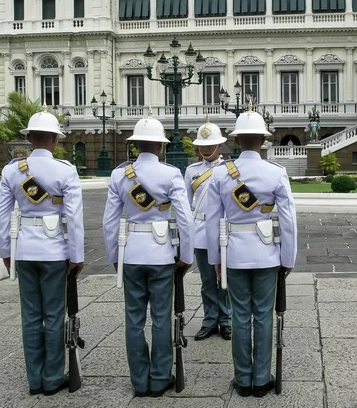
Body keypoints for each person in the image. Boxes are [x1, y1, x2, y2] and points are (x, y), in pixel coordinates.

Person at [205, 107, 297, 398]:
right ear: (262, 140)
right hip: (267, 255)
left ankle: (242, 380)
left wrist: (215, 260)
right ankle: (260, 380)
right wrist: (288, 259)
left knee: (241, 316)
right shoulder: (275, 173)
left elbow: (211, 221)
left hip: (233, 254)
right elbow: (288, 220)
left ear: (237, 140)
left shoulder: (221, 175)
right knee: (264, 316)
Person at [0, 111, 85, 396]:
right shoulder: (65, 170)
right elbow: (74, 217)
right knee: (54, 315)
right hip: (55, 250)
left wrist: (7, 252)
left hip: (25, 251)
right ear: (56, 140)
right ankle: (53, 377)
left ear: (29, 139)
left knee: (31, 316)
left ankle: (35, 379)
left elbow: (0, 217)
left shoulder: (13, 170)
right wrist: (76, 255)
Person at [102, 113, 194, 398]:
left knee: (134, 319)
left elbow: (109, 221)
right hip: (162, 254)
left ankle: (139, 380)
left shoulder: (120, 174)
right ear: (160, 146)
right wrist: (186, 255)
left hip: (131, 254)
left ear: (135, 145)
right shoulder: (170, 174)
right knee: (161, 318)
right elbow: (185, 219)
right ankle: (159, 378)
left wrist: (115, 256)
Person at [184, 119, 232, 341]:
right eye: (202, 145)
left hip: (222, 231)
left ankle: (226, 320)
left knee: (224, 278)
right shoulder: (191, 171)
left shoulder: (229, 170)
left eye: (209, 144)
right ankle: (209, 319)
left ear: (219, 146)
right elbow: (186, 204)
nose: (205, 149)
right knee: (206, 279)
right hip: (201, 231)